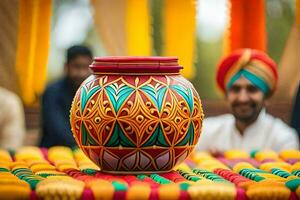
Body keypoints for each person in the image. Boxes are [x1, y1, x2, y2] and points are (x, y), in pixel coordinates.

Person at [196, 48, 299, 153]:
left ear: (266, 97)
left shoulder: (283, 138)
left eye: (252, 89)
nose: (242, 98)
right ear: (226, 96)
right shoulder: (206, 132)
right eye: (236, 89)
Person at [40, 45, 93, 148]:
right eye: (77, 67)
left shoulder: (94, 94)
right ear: (66, 67)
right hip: (53, 152)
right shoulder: (52, 92)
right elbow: (57, 130)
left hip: (84, 154)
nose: (82, 73)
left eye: (86, 67)